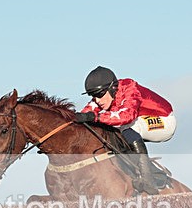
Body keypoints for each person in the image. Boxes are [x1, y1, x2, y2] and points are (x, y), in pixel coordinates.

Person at [74, 66, 177, 194]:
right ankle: (143, 170)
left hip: (164, 120)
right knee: (111, 130)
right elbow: (87, 113)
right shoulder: (103, 96)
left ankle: (148, 179)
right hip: (139, 120)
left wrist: (96, 117)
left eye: (99, 94)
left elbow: (127, 116)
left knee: (128, 127)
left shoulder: (130, 89)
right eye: (93, 95)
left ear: (112, 88)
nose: (97, 100)